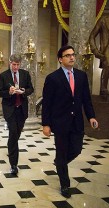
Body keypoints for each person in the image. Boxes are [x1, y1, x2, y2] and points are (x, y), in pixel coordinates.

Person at [41, 45, 98, 198]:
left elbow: (86, 99)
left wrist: (91, 116)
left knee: (77, 149)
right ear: (60, 59)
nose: (72, 57)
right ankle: (65, 185)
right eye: (67, 55)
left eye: (73, 55)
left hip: (77, 122)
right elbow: (47, 103)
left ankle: (60, 163)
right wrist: (46, 124)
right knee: (61, 152)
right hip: (59, 123)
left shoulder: (81, 76)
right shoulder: (52, 78)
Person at [0, 54, 34, 175]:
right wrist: (9, 92)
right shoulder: (4, 75)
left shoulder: (25, 74)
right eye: (14, 64)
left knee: (16, 133)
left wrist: (23, 91)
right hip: (10, 109)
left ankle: (10, 145)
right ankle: (14, 164)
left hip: (22, 109)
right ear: (10, 62)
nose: (16, 67)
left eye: (18, 65)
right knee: (13, 133)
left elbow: (31, 89)